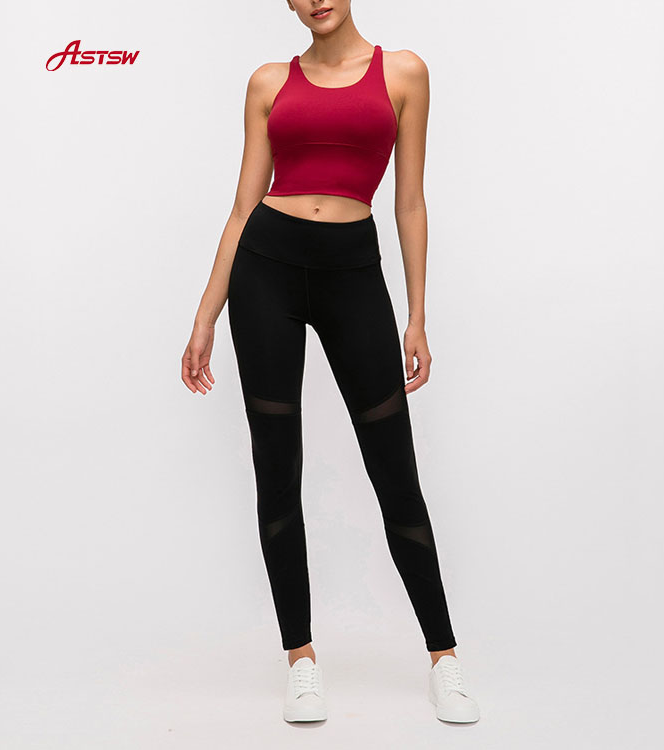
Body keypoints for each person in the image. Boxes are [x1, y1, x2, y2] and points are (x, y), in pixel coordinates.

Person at [181, 0, 480, 725]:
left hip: (353, 273)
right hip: (266, 271)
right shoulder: (267, 82)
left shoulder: (403, 73)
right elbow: (242, 206)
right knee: (277, 467)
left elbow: (410, 202)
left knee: (395, 470)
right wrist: (205, 314)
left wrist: (416, 314)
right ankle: (301, 660)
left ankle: (444, 658)